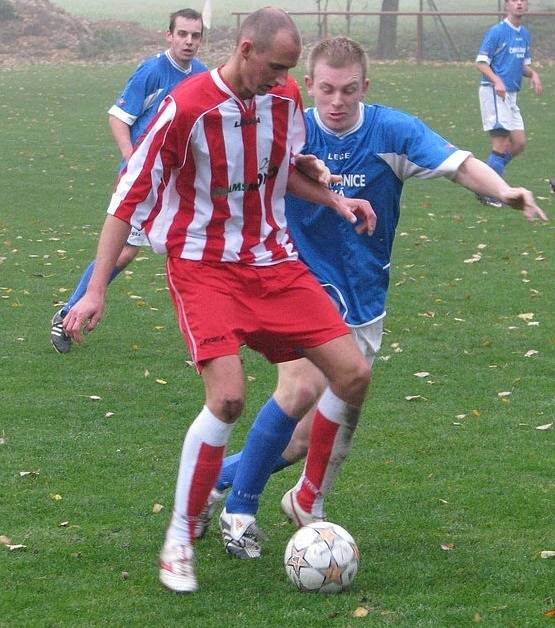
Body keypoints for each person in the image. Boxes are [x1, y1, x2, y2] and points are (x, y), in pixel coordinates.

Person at [63, 9, 377, 594]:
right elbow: (126, 201)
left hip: (275, 264)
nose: (284, 80)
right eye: (276, 67)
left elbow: (279, 174)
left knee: (353, 373)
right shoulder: (185, 108)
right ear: (247, 47)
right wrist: (97, 289)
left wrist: (336, 202)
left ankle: (306, 498)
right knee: (228, 399)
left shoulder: (282, 98)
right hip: (204, 268)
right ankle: (179, 537)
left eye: (289, 70)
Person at [195, 35, 548, 556]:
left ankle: (212, 485)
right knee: (297, 388)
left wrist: (503, 190)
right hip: (296, 280)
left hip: (365, 295)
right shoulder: (289, 128)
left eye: (349, 91)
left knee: (303, 439)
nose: (337, 102)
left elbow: (458, 162)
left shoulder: (391, 130)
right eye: (327, 90)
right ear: (309, 85)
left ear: (365, 87)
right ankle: (243, 512)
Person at [50, 8, 206, 353]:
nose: (189, 41)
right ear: (169, 35)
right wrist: (133, 159)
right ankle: (68, 313)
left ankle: (216, 326)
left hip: (178, 183)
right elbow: (119, 117)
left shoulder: (201, 75)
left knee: (194, 247)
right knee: (123, 254)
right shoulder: (152, 71)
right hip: (144, 180)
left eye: (195, 35)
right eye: (182, 34)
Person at [475, 0, 542, 207]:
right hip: (494, 92)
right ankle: (490, 192)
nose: (520, 3)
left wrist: (534, 75)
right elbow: (480, 62)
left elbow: (521, 65)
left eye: (523, 0)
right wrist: (497, 81)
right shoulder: (497, 31)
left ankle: (484, 181)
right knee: (501, 144)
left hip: (511, 95)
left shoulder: (524, 34)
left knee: (519, 143)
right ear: (507, 5)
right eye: (514, 0)